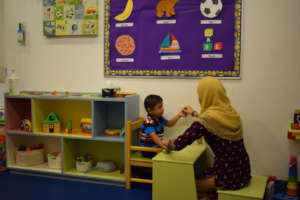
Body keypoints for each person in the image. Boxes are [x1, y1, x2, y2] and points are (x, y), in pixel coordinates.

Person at [163, 77, 251, 199]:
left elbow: (179, 143)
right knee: (201, 178)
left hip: (227, 175)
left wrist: (166, 143)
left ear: (205, 96)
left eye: (200, 95)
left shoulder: (206, 120)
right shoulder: (231, 113)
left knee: (185, 185)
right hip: (243, 170)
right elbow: (213, 123)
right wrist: (194, 113)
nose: (199, 98)